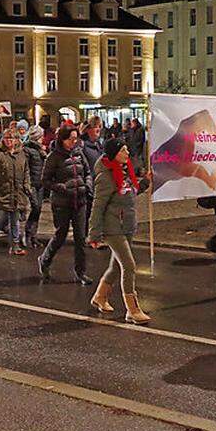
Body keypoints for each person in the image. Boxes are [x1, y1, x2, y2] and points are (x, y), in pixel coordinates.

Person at [87, 138, 152, 324]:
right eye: (123, 150)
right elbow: (98, 206)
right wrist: (94, 233)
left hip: (127, 225)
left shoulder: (125, 171)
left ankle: (100, 297)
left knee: (115, 266)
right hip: (113, 227)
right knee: (129, 265)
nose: (128, 153)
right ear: (114, 154)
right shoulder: (106, 177)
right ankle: (132, 309)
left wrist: (146, 182)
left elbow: (133, 191)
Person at [37, 126, 94, 284]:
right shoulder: (53, 157)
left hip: (80, 201)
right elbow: (45, 180)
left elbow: (87, 172)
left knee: (80, 238)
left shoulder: (79, 153)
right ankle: (45, 260)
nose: (74, 142)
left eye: (76, 139)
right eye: (71, 139)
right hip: (62, 202)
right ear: (62, 139)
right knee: (60, 235)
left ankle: (80, 272)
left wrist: (88, 186)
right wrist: (61, 187)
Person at [0, 128, 32, 255]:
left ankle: (15, 245)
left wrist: (27, 185)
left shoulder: (21, 154)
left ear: (17, 140)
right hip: (2, 192)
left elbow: (26, 170)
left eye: (11, 138)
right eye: (6, 138)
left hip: (17, 193)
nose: (9, 141)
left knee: (15, 221)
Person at [22, 125, 48, 248]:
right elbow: (25, 168)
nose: (43, 138)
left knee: (38, 210)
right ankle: (27, 235)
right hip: (32, 183)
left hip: (40, 184)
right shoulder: (27, 149)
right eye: (41, 136)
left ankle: (33, 236)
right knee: (35, 208)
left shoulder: (41, 150)